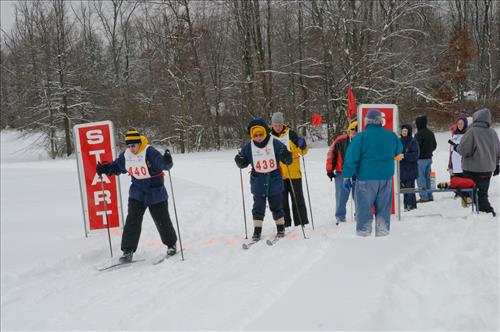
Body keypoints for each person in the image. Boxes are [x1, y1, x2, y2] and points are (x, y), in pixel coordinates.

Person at [96, 130, 178, 262]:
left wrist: (167, 161)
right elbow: (117, 166)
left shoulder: (150, 152)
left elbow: (163, 164)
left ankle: (171, 245)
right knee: (132, 221)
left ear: (139, 143)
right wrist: (105, 169)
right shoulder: (126, 155)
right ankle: (127, 251)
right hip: (137, 193)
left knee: (162, 220)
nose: (131, 149)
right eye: (128, 146)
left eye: (133, 145)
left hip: (155, 193)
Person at [342, 110, 403, 236]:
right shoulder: (391, 136)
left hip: (365, 179)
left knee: (364, 210)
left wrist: (347, 176)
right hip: (385, 179)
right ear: (381, 121)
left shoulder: (360, 137)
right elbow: (399, 151)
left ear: (366, 122)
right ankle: (383, 234)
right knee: (384, 210)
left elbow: (351, 158)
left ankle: (364, 237)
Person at [234, 118, 293, 241]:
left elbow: (287, 158)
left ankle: (280, 227)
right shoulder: (249, 146)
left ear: (265, 132)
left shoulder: (274, 143)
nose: (258, 137)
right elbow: (243, 161)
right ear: (251, 135)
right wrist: (240, 161)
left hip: (274, 179)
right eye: (255, 135)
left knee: (276, 204)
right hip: (258, 181)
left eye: (261, 134)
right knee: (258, 206)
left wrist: (286, 156)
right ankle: (257, 230)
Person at [452, 108, 500, 217]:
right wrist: (497, 164)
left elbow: (464, 150)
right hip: (488, 169)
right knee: (482, 193)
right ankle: (483, 213)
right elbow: (498, 150)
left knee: (475, 194)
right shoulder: (492, 132)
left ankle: (487, 212)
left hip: (472, 169)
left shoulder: (472, 131)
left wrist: (456, 148)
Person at [270, 112, 309, 228]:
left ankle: (301, 223)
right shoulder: (269, 137)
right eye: (275, 125)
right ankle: (285, 224)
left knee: (298, 200)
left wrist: (302, 145)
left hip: (293, 173)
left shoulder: (291, 134)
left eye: (279, 125)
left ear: (283, 124)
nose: (277, 127)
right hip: (278, 174)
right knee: (282, 202)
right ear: (272, 125)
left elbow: (303, 152)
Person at [326, 121, 358, 223]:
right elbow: (331, 154)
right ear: (349, 130)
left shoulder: (362, 140)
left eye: (356, 130)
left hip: (358, 173)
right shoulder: (340, 140)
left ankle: (359, 214)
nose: (354, 132)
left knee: (359, 196)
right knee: (341, 196)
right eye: (352, 129)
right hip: (342, 173)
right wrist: (329, 170)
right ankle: (340, 216)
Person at [447, 115, 470, 207]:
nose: (460, 125)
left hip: (465, 164)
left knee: (467, 185)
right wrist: (450, 164)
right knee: (459, 185)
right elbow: (452, 151)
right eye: (458, 123)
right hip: (456, 165)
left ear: (465, 124)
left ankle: (469, 203)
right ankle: (464, 204)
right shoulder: (455, 134)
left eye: (461, 123)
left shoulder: (468, 134)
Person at [414, 115, 437, 202]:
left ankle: (424, 197)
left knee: (420, 178)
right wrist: (429, 151)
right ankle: (430, 195)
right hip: (429, 158)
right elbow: (434, 145)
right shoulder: (431, 133)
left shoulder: (418, 134)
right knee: (428, 178)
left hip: (420, 159)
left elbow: (416, 147)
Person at [399, 124, 420, 211]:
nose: (404, 133)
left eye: (405, 131)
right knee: (404, 189)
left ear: (409, 132)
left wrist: (404, 156)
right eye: (403, 131)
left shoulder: (413, 141)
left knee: (410, 188)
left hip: (411, 169)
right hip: (402, 169)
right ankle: (406, 205)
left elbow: (415, 154)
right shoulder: (399, 140)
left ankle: (411, 206)